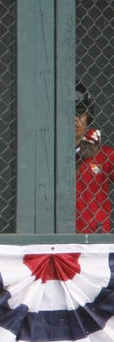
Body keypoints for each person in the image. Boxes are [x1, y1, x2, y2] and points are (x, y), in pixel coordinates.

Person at [74, 83, 114, 233]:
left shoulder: (103, 154)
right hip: (58, 240)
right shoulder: (45, 156)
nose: (75, 118)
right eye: (68, 112)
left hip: (96, 241)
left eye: (80, 112)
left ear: (88, 116)